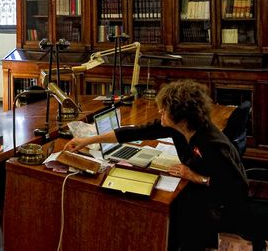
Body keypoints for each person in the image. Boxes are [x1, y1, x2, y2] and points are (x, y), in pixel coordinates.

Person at [64, 79, 248, 250]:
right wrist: (88, 140)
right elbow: (133, 133)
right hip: (201, 194)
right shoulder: (178, 127)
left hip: (220, 206)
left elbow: (237, 188)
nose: (160, 111)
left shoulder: (212, 143)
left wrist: (195, 176)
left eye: (164, 110)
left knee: (170, 208)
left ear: (180, 115)